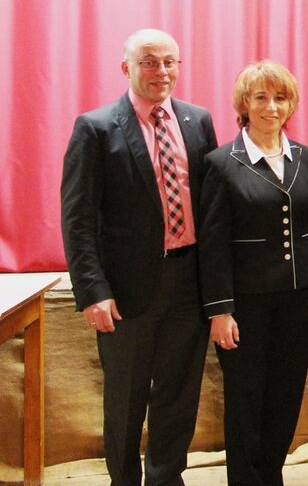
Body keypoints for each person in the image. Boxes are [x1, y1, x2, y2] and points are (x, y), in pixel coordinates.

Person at [61, 28, 217, 486]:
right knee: (125, 400)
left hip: (190, 282)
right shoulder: (96, 127)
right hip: (126, 291)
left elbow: (212, 206)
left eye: (169, 61)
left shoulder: (198, 121)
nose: (161, 71)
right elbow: (77, 218)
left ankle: (166, 478)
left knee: (178, 397)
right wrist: (93, 291)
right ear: (126, 67)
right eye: (149, 62)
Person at [199, 60, 308, 485]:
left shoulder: (307, 158)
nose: (271, 107)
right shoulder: (221, 163)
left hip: (299, 298)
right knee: (246, 398)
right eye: (261, 97)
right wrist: (220, 310)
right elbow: (213, 244)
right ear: (244, 103)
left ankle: (271, 474)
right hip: (246, 304)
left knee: (285, 394)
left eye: (280, 98)